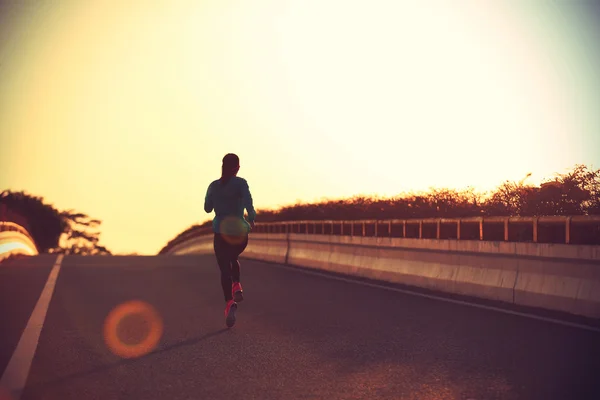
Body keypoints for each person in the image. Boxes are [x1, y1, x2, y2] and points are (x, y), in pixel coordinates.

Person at [204, 153, 256, 328]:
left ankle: (229, 302)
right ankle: (237, 285)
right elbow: (249, 201)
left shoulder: (213, 186)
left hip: (221, 233)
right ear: (238, 168)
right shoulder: (241, 183)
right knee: (233, 257)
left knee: (224, 267)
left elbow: (207, 208)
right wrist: (253, 217)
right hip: (241, 233)